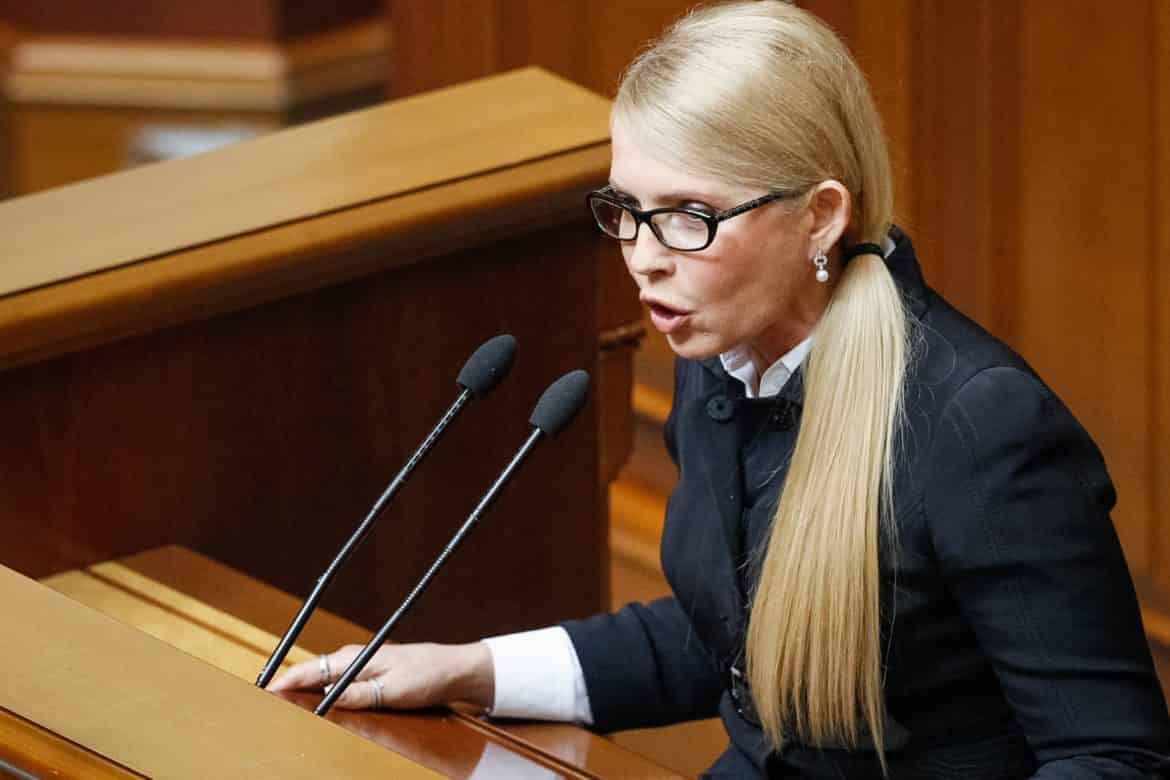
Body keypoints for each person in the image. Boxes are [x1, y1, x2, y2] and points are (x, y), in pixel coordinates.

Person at [270, 1, 1170, 776]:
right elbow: (729, 636)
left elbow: (1112, 756)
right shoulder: (720, 360)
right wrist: (473, 668)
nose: (644, 260)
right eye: (627, 211)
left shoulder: (982, 427)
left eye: (689, 217)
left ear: (821, 215)